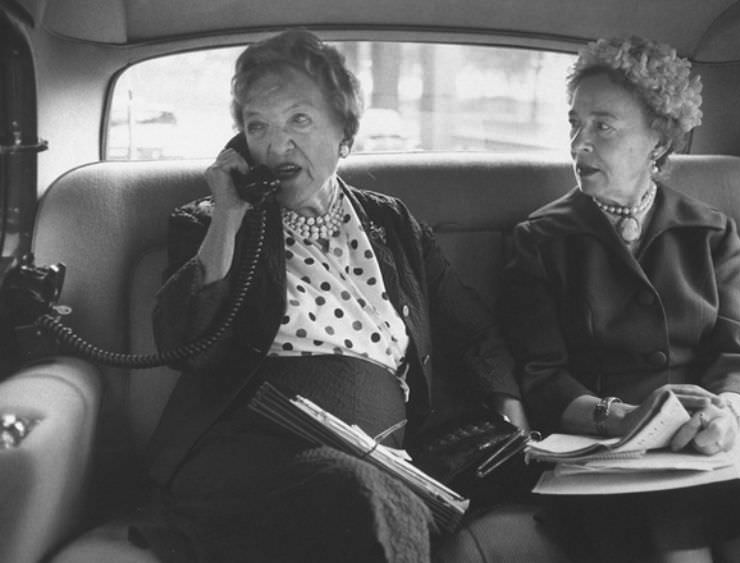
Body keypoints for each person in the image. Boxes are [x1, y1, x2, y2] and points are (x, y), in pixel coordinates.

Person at [135, 29, 530, 563]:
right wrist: (230, 215)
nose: (276, 147)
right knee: (356, 493)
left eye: (299, 119)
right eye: (258, 127)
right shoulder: (212, 228)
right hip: (251, 462)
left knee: (368, 493)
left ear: (345, 129)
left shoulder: (392, 222)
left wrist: (509, 409)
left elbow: (473, 328)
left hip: (378, 462)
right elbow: (186, 346)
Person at [500, 36, 740, 563]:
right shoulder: (540, 240)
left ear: (659, 140)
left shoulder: (712, 233)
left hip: (712, 456)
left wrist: (725, 416)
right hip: (616, 468)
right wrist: (623, 419)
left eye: (603, 126)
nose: (579, 144)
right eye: (575, 124)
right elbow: (543, 377)